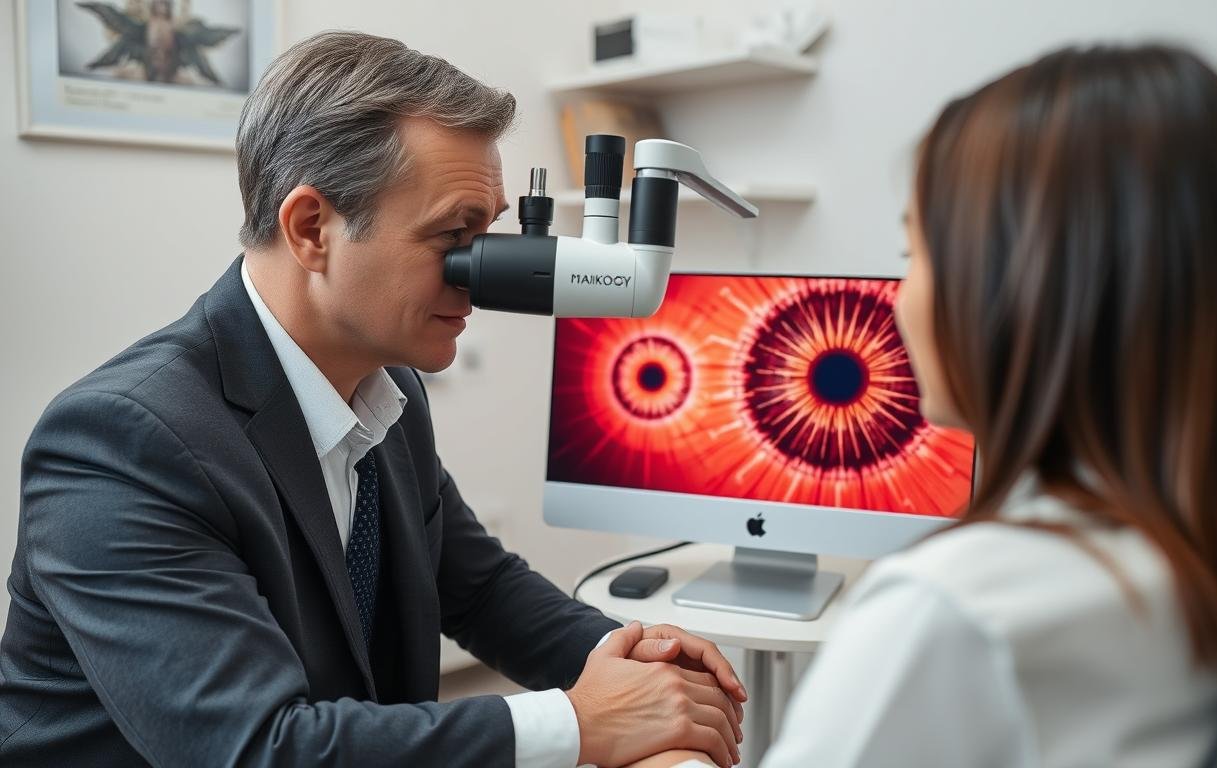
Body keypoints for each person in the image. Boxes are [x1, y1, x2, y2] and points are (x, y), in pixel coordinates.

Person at [0, 31, 748, 768]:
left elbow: (477, 586)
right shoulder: (120, 443)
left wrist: (627, 657)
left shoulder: (387, 392)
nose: (481, 278)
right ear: (311, 229)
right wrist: (579, 722)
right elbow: (255, 748)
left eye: (489, 233)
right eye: (455, 237)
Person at [633, 43, 1217, 768]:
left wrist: (662, 755)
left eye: (916, 256)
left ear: (1019, 288)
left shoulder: (954, 611)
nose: (901, 301)